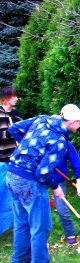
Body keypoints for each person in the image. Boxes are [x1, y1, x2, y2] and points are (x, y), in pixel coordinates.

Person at [6, 104, 80, 263]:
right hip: (29, 182)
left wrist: (29, 149)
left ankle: (19, 261)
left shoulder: (42, 119)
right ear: (72, 122)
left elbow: (13, 129)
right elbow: (42, 174)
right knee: (41, 226)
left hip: (12, 174)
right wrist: (55, 186)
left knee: (21, 221)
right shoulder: (59, 142)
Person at [50, 140, 80, 245]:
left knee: (61, 208)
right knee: (40, 210)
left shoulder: (64, 142)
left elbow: (76, 160)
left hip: (58, 180)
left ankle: (70, 233)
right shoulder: (40, 139)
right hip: (40, 179)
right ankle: (40, 238)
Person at [0, 86, 23, 235]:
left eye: (17, 96)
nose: (16, 98)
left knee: (12, 194)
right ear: (5, 97)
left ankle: (12, 223)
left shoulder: (17, 115)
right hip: (2, 159)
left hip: (16, 161)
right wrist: (10, 133)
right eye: (14, 96)